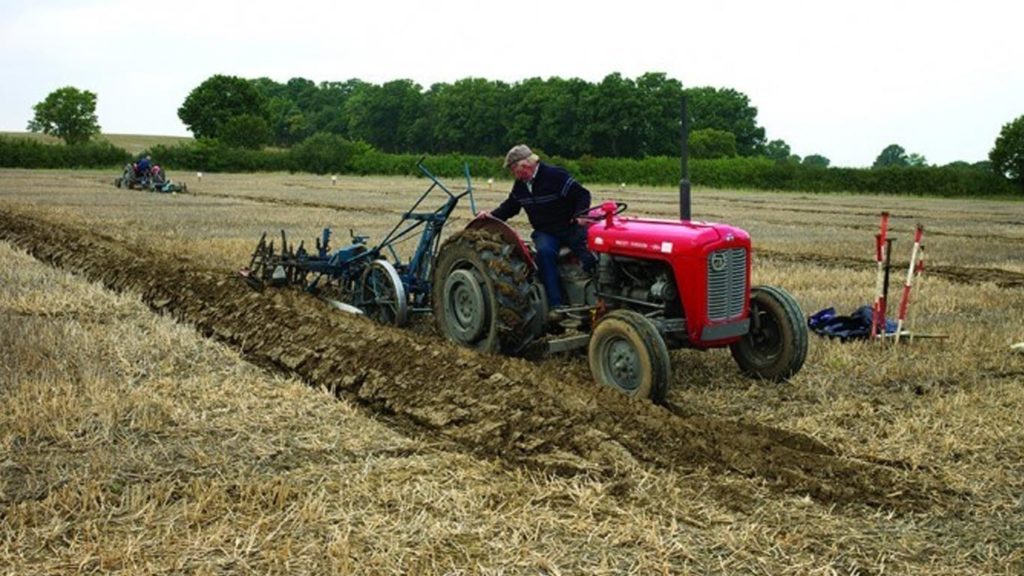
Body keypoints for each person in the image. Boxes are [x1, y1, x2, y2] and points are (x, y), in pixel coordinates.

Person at [488, 144, 597, 314]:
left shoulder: (554, 175)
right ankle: (556, 306)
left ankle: (598, 298)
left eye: (512, 169)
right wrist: (489, 217)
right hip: (546, 231)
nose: (513, 174)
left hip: (569, 226)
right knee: (544, 254)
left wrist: (581, 215)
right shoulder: (520, 185)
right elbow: (510, 207)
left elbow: (582, 195)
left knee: (589, 256)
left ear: (524, 166)